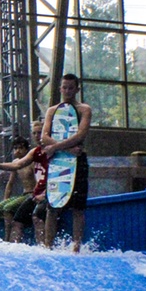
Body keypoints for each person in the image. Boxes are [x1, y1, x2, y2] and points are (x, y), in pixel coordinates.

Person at [42, 73, 92, 252]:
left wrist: (56, 147)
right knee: (52, 204)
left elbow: (80, 135)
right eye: (64, 87)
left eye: (71, 87)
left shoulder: (84, 109)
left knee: (78, 206)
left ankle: (76, 247)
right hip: (58, 162)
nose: (67, 91)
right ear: (60, 88)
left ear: (77, 89)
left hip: (78, 161)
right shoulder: (52, 110)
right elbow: (44, 137)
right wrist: (65, 149)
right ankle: (47, 246)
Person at [0, 120, 50, 244]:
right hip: (31, 195)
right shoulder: (34, 153)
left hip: (38, 194)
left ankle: (44, 246)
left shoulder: (50, 151)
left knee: (31, 215)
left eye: (40, 132)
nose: (37, 136)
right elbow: (15, 170)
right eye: (34, 133)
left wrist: (43, 193)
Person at [0, 136, 35, 241]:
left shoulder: (32, 162)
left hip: (32, 194)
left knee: (8, 208)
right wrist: (6, 199)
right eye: (15, 148)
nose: (17, 151)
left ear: (26, 149)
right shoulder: (15, 162)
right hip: (23, 195)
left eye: (20, 148)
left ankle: (7, 239)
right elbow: (10, 183)